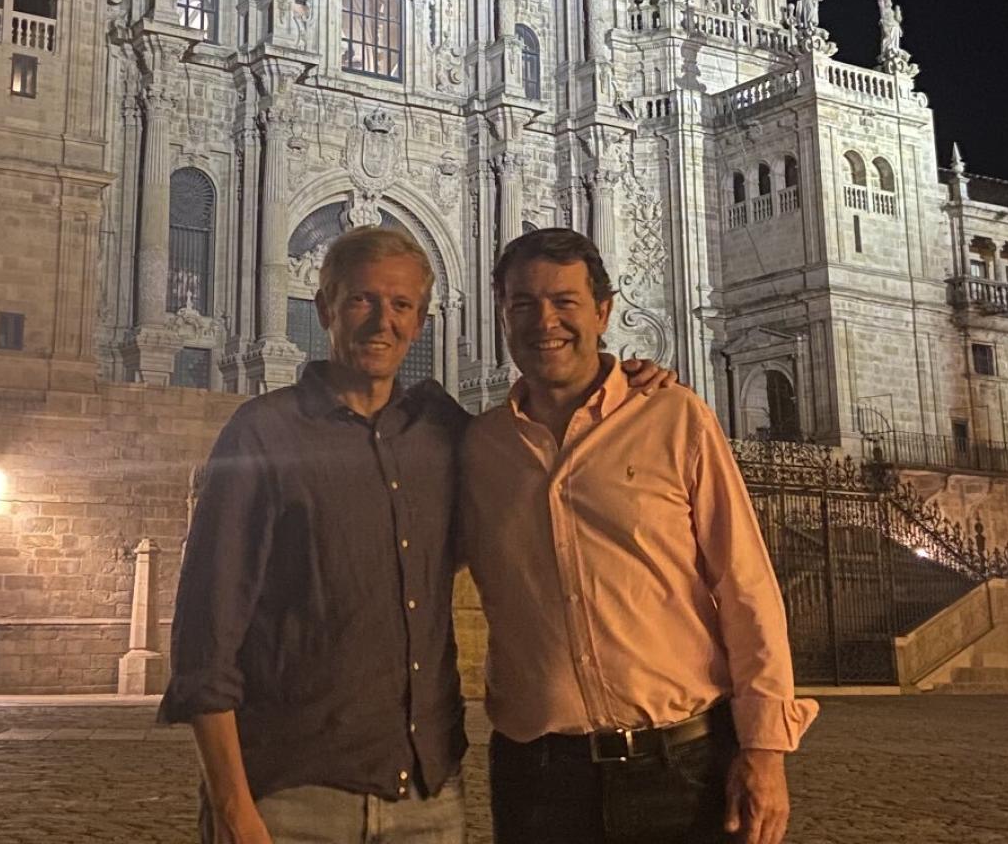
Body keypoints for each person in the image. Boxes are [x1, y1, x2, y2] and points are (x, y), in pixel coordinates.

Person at [160, 226, 673, 844]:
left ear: (424, 319)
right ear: (324, 307)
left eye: (402, 305)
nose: (383, 322)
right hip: (292, 799)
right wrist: (234, 808)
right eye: (361, 300)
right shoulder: (262, 435)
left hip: (426, 800)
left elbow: (538, 482)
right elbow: (204, 639)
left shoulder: (446, 433)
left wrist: (621, 384)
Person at [462, 228, 817, 844]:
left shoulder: (674, 416)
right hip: (538, 781)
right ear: (501, 316)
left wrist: (764, 748)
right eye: (522, 304)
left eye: (564, 302)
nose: (544, 321)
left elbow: (747, 589)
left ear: (603, 311)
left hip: (683, 770)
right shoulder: (476, 448)